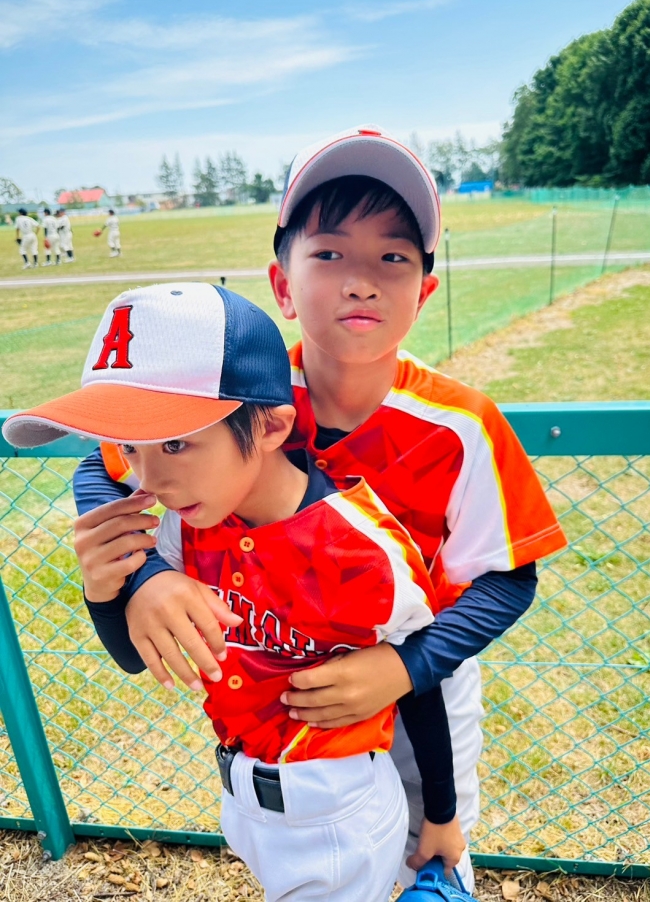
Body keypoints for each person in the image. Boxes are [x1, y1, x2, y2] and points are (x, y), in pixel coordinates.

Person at [67, 126, 567, 892]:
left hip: (422, 677)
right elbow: (100, 467)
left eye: (392, 257)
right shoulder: (244, 394)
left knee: (432, 849)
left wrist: (405, 666)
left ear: (424, 291)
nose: (360, 281)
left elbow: (510, 578)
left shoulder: (461, 425)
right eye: (329, 253)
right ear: (281, 283)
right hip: (294, 689)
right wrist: (144, 580)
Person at [3, 284, 465, 902]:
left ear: (271, 425)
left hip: (338, 813)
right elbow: (134, 654)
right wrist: (108, 587)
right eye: (131, 448)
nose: (150, 480)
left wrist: (441, 815)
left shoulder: (361, 547)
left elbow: (421, 687)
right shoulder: (184, 523)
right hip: (243, 804)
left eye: (175, 442)